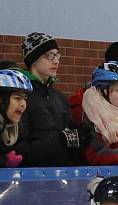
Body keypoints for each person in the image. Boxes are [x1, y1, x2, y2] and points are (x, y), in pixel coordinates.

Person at [16, 32, 89, 167]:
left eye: (57, 55)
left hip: (61, 177)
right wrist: (60, 140)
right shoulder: (21, 98)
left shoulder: (60, 98)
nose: (56, 61)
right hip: (31, 178)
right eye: (50, 55)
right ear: (34, 60)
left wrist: (82, 139)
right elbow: (20, 151)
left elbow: (70, 147)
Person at [0, 68, 33, 168]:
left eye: (25, 99)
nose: (23, 104)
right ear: (1, 100)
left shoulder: (11, 129)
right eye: (17, 98)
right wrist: (4, 162)